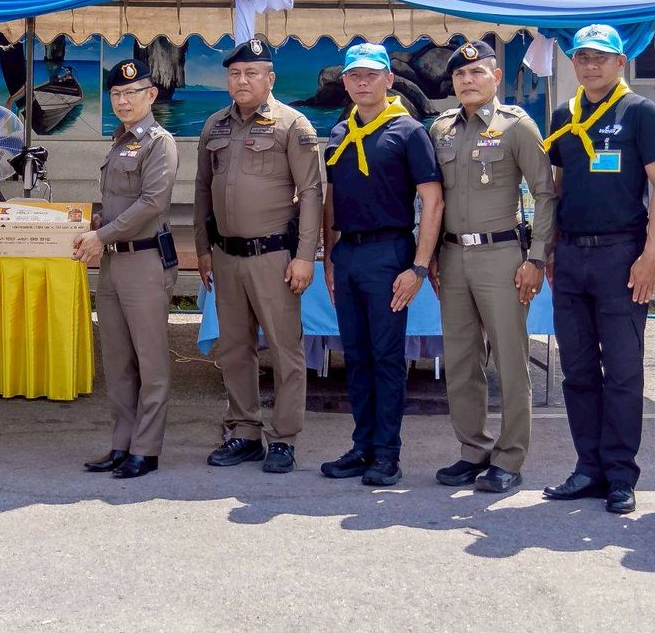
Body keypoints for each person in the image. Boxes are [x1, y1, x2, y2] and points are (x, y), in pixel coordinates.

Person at [540, 24, 655, 514]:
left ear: (621, 62)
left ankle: (620, 474)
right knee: (577, 371)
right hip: (572, 256)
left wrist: (652, 255)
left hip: (622, 255)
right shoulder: (564, 115)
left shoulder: (639, 112)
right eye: (583, 57)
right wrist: (549, 249)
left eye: (601, 57)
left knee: (621, 371)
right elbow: (558, 184)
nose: (591, 64)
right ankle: (588, 468)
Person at [427, 40, 555, 494]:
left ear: (496, 77)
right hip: (452, 256)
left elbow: (545, 193)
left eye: (477, 72)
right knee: (461, 360)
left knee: (510, 360)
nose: (468, 80)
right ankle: (473, 450)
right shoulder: (441, 129)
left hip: (502, 257)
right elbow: (431, 199)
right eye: (460, 75)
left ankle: (509, 458)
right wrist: (430, 256)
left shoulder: (516, 126)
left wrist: (536, 258)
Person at [194, 36, 326, 474]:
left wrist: (304, 256)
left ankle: (284, 438)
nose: (242, 80)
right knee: (235, 349)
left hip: (274, 256)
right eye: (235, 73)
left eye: (252, 73)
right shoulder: (214, 125)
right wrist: (203, 249)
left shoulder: (293, 125)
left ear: (270, 78)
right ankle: (245, 432)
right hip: (226, 256)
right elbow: (202, 191)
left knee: (286, 350)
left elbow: (312, 192)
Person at [319, 43, 442, 488]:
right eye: (355, 75)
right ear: (345, 82)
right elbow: (332, 198)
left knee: (387, 357)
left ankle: (387, 453)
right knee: (355, 355)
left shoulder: (409, 132)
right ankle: (362, 445)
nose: (362, 82)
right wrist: (329, 255)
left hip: (389, 253)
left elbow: (432, 200)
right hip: (348, 254)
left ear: (389, 80)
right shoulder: (339, 132)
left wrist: (419, 266)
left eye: (371, 75)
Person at [75, 58, 179, 480]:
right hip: (115, 260)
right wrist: (98, 224)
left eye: (131, 93)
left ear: (151, 95)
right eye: (116, 94)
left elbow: (153, 203)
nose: (122, 101)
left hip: (145, 261)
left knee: (150, 361)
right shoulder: (119, 141)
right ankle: (122, 443)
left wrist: (102, 235)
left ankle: (146, 449)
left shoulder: (159, 142)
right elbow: (120, 202)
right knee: (117, 359)